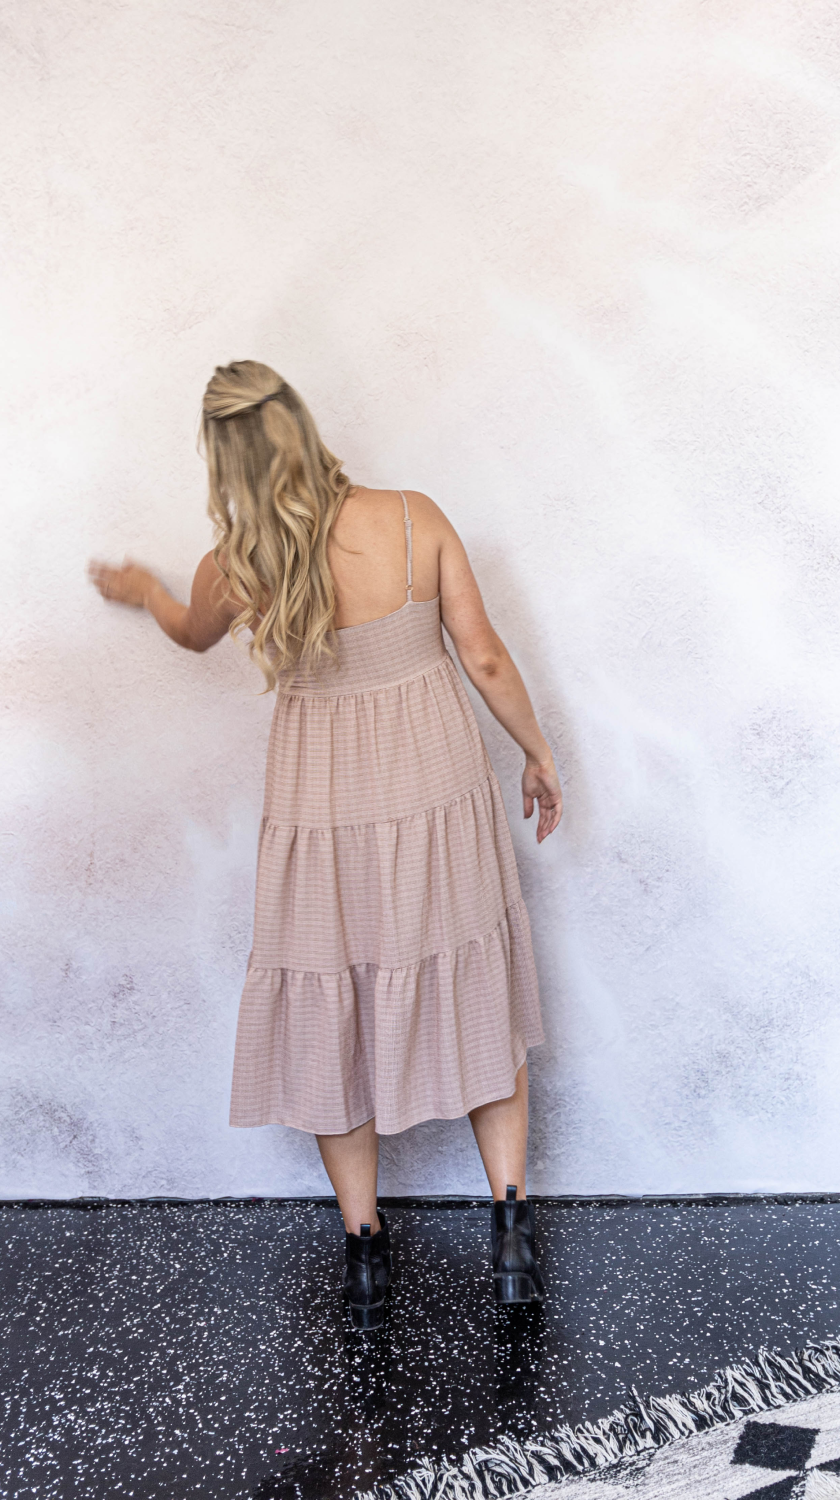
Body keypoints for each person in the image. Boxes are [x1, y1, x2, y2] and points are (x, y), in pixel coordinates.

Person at [89, 360, 562, 1329]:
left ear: (224, 457)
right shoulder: (410, 519)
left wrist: (147, 591)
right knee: (472, 984)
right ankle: (510, 1231)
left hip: (322, 802)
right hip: (434, 787)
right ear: (302, 427)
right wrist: (537, 751)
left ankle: (363, 1250)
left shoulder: (239, 562)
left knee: (329, 999)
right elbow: (481, 655)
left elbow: (190, 634)